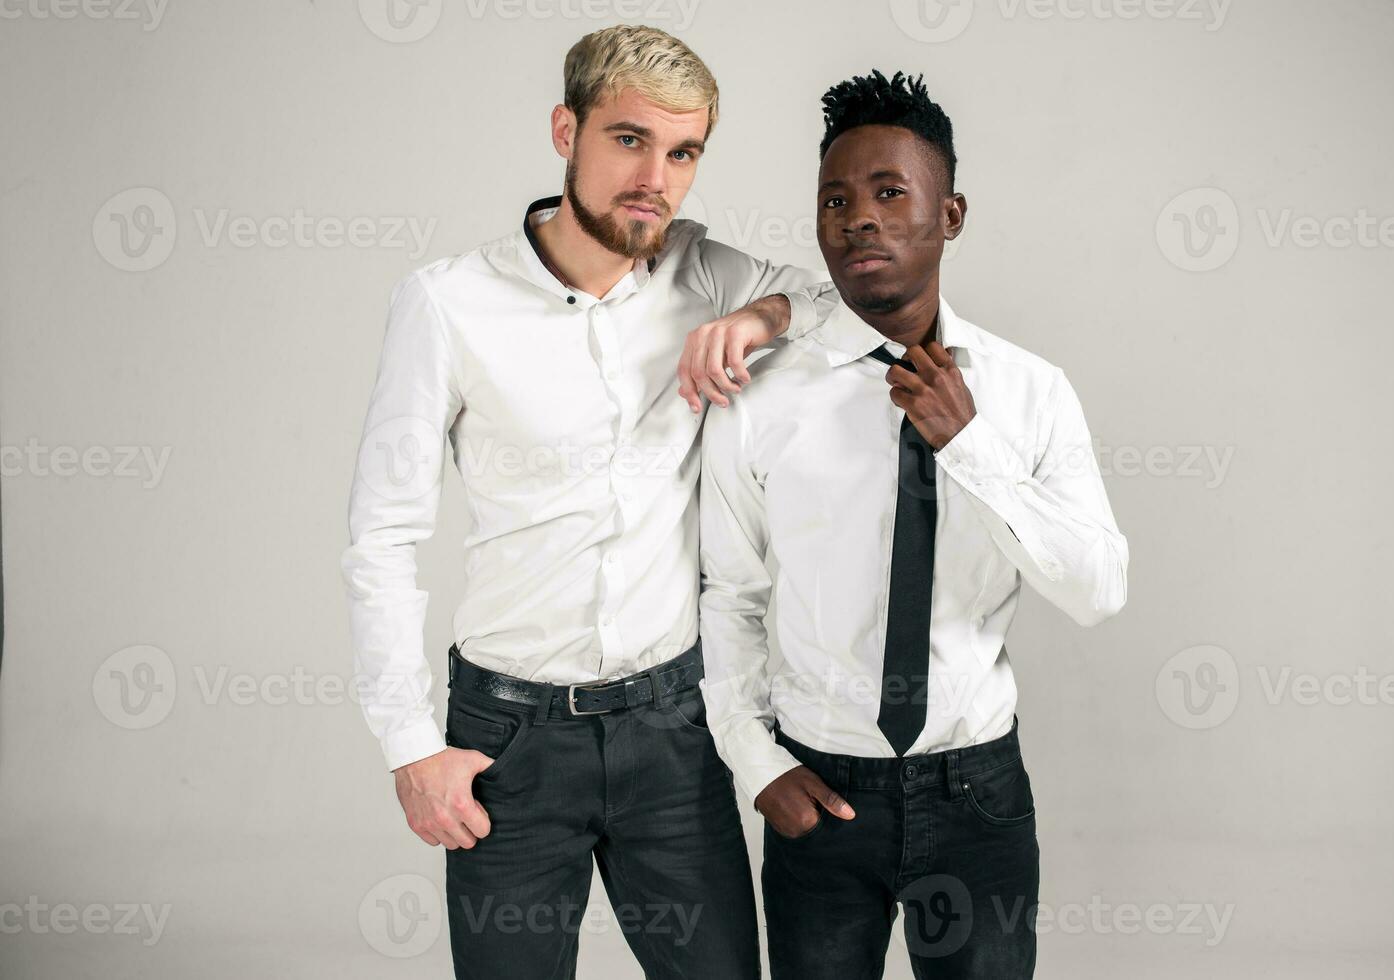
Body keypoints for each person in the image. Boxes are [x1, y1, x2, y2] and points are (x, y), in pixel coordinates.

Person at [340, 25, 831, 979]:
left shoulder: (702, 273)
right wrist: (409, 746)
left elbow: (823, 297)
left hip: (671, 733)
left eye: (683, 152)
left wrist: (753, 317)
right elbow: (382, 536)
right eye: (629, 140)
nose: (656, 176)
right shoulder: (447, 304)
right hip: (508, 742)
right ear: (567, 129)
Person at [698, 69, 1130, 979]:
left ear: (951, 214)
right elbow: (728, 594)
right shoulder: (761, 398)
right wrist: (755, 763)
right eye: (836, 200)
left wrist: (968, 446)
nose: (860, 217)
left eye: (891, 192)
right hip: (819, 793)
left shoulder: (1028, 393)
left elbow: (1096, 590)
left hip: (976, 797)